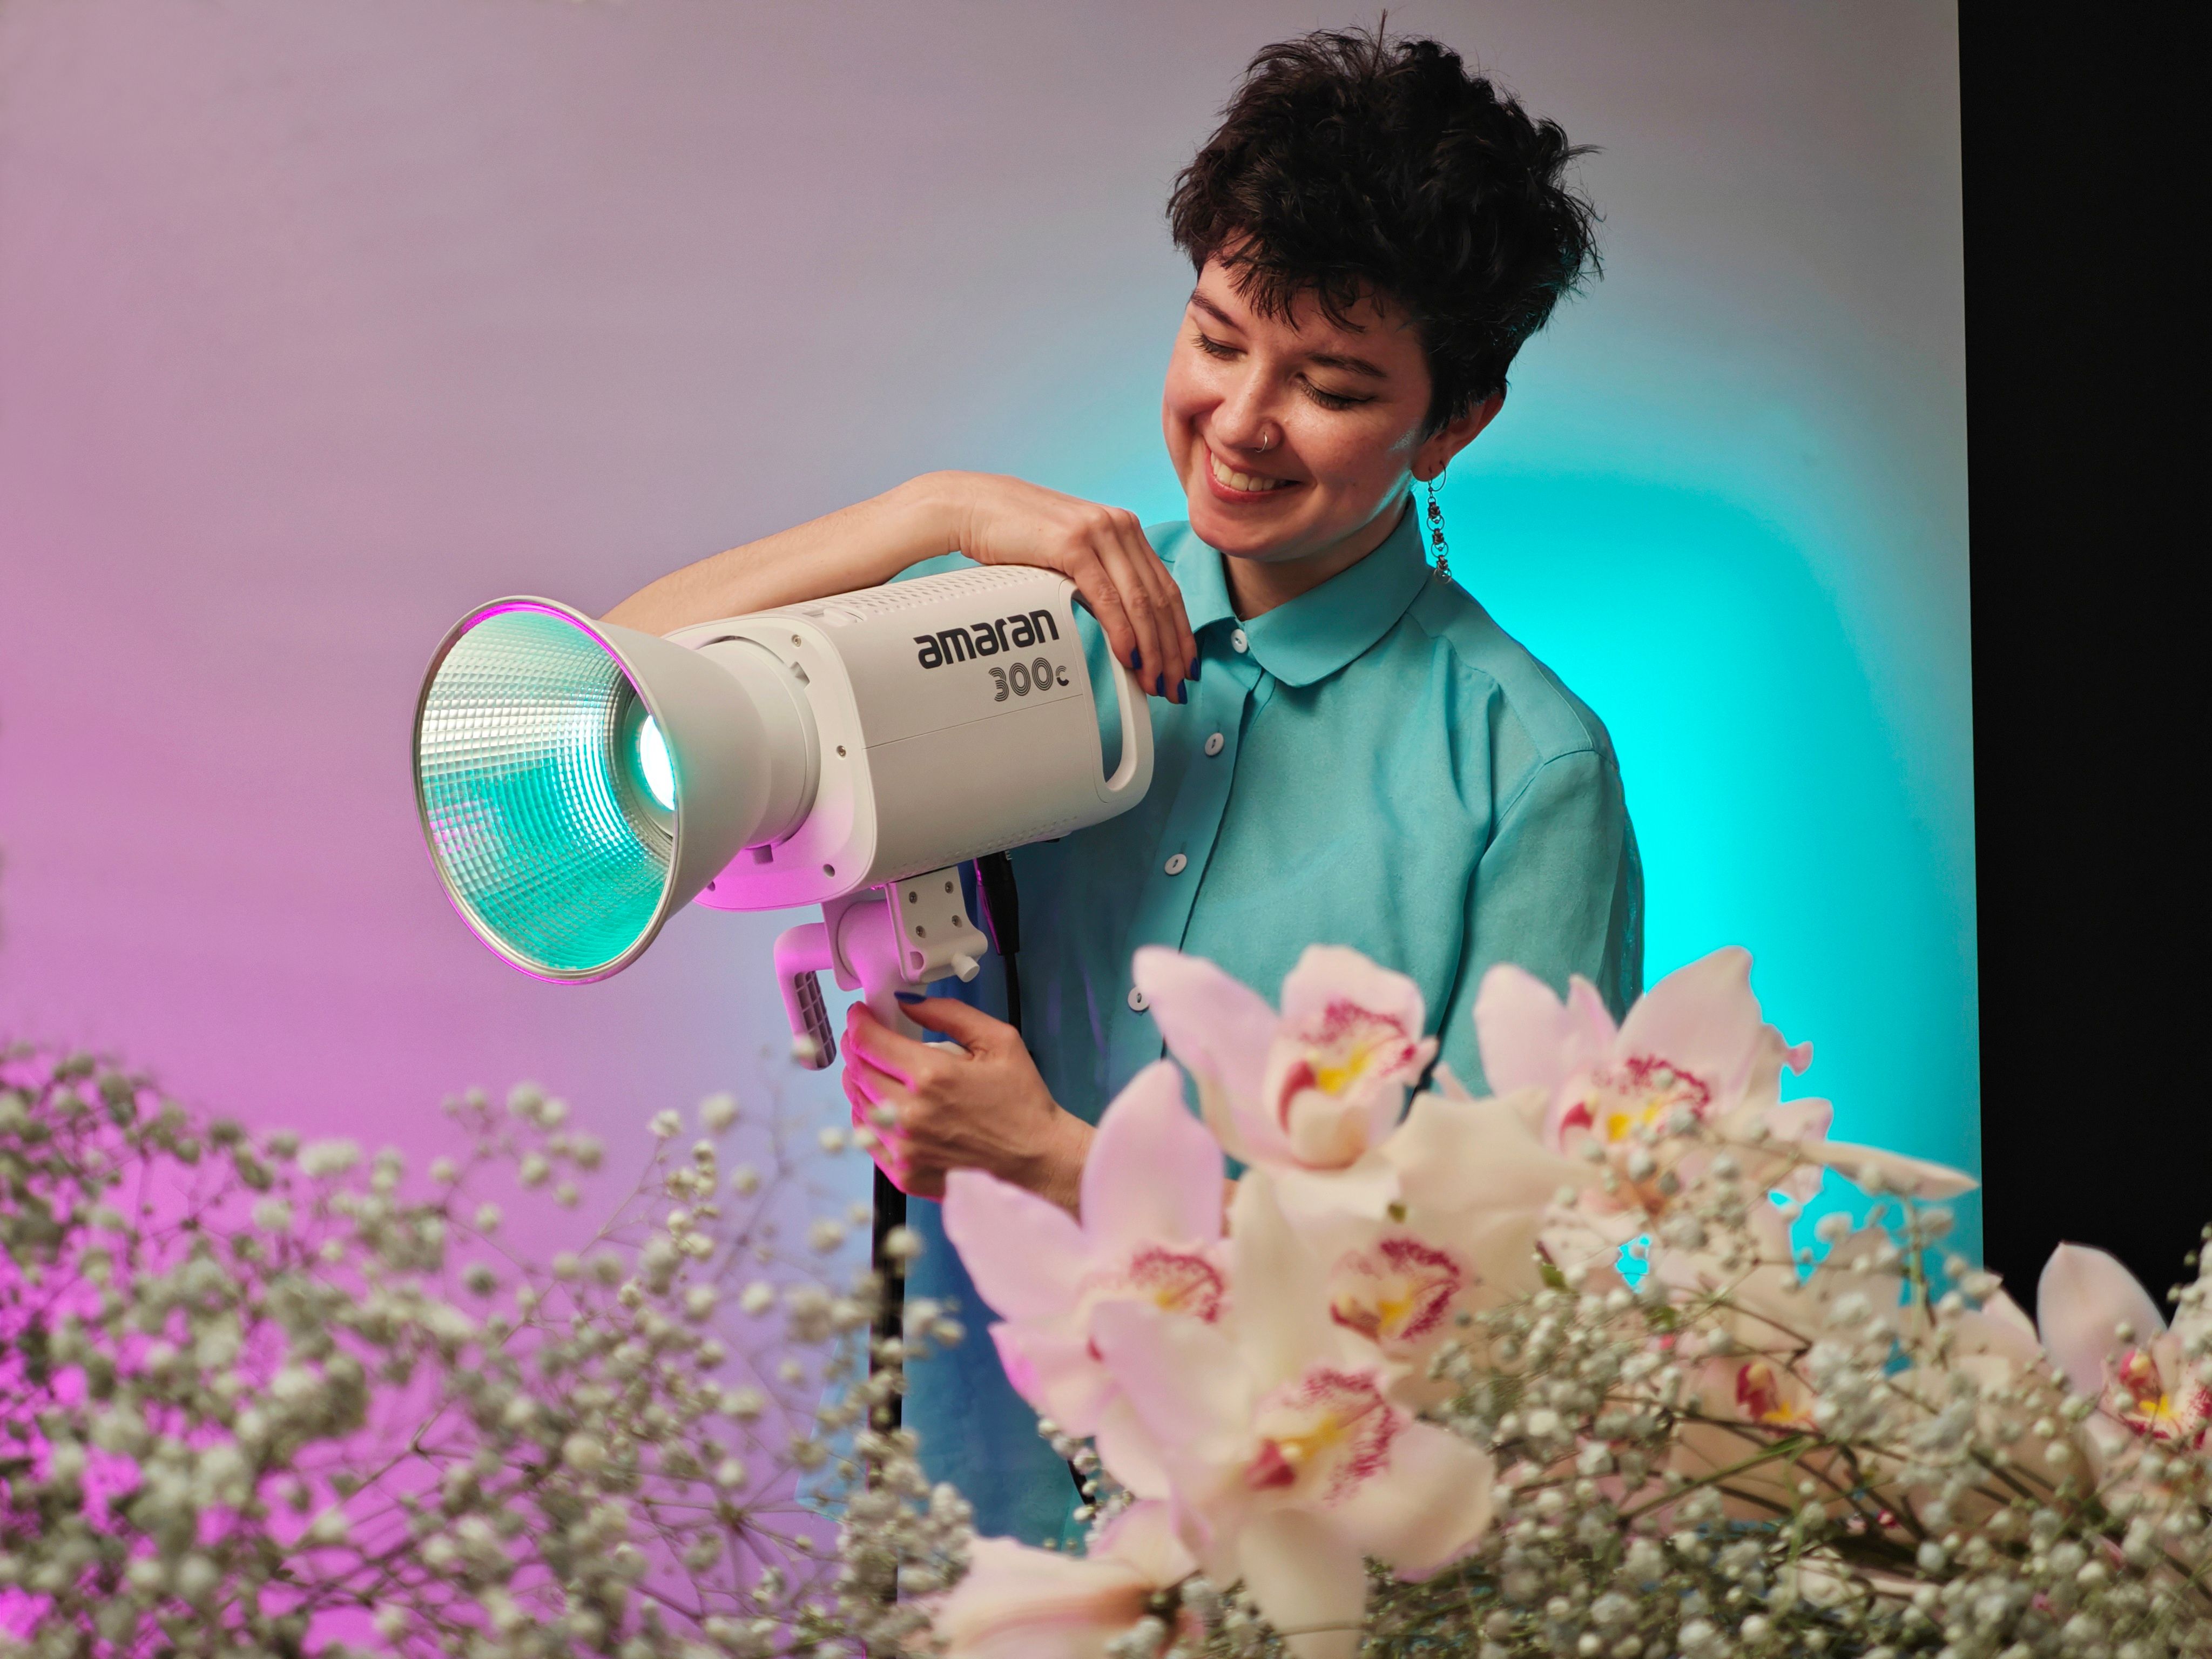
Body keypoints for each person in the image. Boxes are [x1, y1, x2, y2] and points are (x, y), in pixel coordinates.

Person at [606, 27, 1641, 1545]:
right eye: (1218, 339)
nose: (1242, 421)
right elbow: (619, 689)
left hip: (1313, 1531)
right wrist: (937, 510)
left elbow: (1492, 1280)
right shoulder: (1024, 626)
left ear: (1454, 422)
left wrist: (1053, 1160)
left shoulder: (1524, 769)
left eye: (1331, 384)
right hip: (974, 1485)